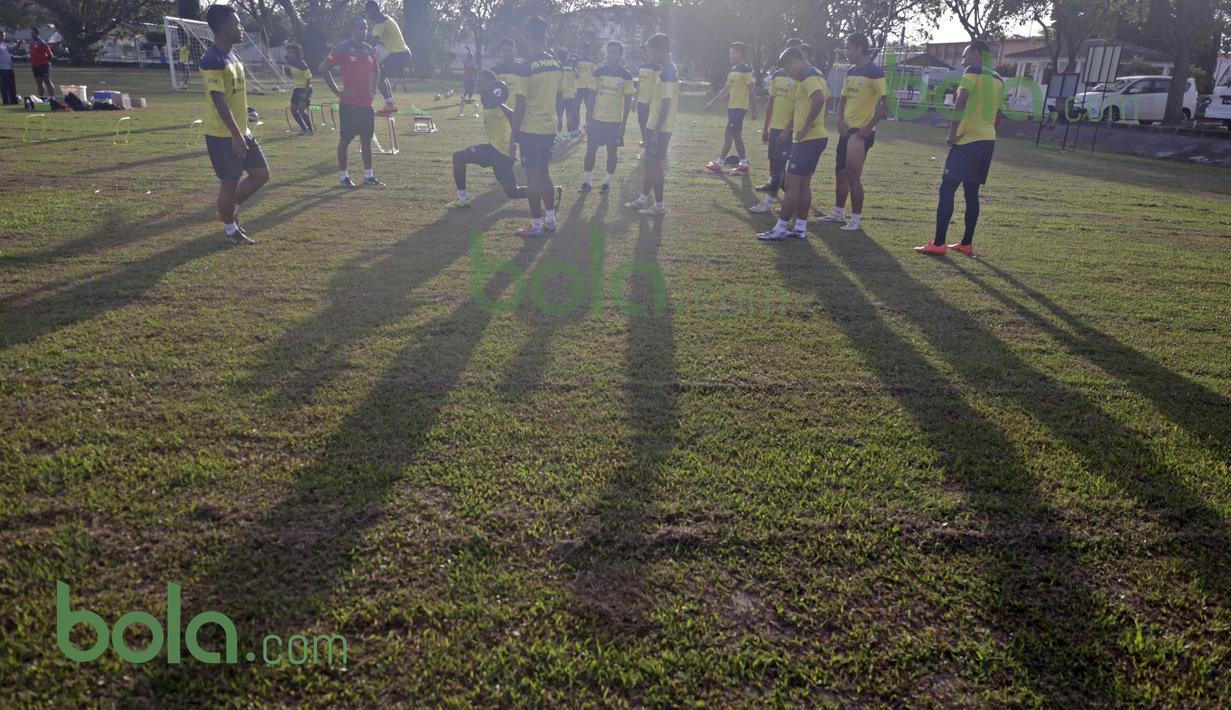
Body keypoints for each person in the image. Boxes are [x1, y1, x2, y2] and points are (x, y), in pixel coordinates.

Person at [916, 41, 1003, 256]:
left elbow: (961, 100)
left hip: (967, 141)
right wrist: (988, 133)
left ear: (976, 53)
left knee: (947, 189)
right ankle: (966, 243)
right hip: (987, 141)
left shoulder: (973, 71)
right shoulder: (998, 79)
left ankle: (938, 243)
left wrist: (952, 132)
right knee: (971, 193)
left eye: (965, 56)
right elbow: (999, 114)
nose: (963, 62)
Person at [200, 5, 268, 245]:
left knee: (261, 174)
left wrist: (246, 114)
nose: (241, 29)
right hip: (223, 134)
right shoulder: (212, 59)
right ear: (223, 27)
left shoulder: (233, 55)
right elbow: (219, 100)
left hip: (242, 131)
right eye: (237, 24)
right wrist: (235, 135)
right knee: (229, 183)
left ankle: (228, 209)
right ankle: (231, 231)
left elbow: (234, 94)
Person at [756, 47, 830, 241]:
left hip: (808, 139)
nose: (789, 74)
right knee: (803, 186)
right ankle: (800, 228)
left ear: (795, 61)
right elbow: (824, 100)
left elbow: (819, 99)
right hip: (815, 137)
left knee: (791, 185)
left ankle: (780, 228)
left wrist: (806, 126)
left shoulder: (807, 74)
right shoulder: (818, 75)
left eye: (788, 69)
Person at [818, 33, 887, 231]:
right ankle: (838, 213)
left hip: (860, 132)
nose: (846, 52)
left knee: (853, 174)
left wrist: (868, 127)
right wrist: (839, 120)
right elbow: (843, 99)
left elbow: (884, 104)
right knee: (840, 172)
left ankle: (856, 220)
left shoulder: (875, 72)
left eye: (848, 48)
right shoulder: (850, 72)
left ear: (859, 48)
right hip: (846, 130)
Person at [510, 16, 563, 237]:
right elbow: (560, 98)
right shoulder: (556, 64)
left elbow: (520, 105)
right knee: (544, 174)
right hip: (549, 128)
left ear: (527, 37)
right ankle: (550, 220)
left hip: (531, 130)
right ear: (544, 35)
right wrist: (558, 121)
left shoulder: (525, 67)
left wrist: (513, 138)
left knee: (531, 177)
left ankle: (536, 225)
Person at [320, 16, 384, 188]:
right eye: (360, 28)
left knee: (366, 140)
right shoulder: (342, 48)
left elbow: (376, 70)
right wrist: (338, 92)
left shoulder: (369, 49)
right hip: (349, 105)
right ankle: (343, 177)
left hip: (367, 105)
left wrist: (373, 89)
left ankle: (369, 176)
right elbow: (323, 68)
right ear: (352, 29)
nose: (364, 31)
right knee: (345, 140)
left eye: (365, 28)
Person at [449, 70, 527, 208]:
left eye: (481, 81)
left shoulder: (498, 102)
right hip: (498, 151)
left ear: (491, 83)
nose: (477, 83)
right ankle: (549, 191)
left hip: (499, 151)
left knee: (459, 157)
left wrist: (514, 141)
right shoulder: (488, 99)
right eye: (477, 80)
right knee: (513, 192)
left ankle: (462, 198)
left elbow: (515, 117)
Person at [624, 33, 676, 217]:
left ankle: (659, 206)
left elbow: (667, 104)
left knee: (655, 166)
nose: (651, 54)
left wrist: (655, 132)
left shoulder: (669, 72)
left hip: (660, 128)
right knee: (649, 162)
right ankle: (643, 198)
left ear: (662, 49)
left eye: (653, 50)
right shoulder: (664, 69)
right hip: (652, 124)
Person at [751, 38, 805, 213]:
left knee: (781, 167)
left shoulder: (803, 77)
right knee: (775, 165)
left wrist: (788, 129)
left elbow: (800, 107)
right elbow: (771, 103)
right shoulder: (777, 75)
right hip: (775, 128)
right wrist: (766, 127)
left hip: (789, 130)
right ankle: (790, 199)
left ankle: (768, 202)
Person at [580, 40, 635, 194]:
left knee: (612, 153)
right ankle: (587, 182)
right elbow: (591, 97)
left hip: (614, 122)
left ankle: (606, 183)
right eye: (609, 52)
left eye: (615, 53)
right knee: (590, 151)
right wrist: (588, 120)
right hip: (596, 121)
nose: (611, 55)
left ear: (620, 55)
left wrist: (623, 124)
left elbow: (628, 102)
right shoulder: (598, 72)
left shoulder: (626, 76)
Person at [705, 42, 757, 174]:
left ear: (740, 54)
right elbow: (726, 90)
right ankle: (744, 163)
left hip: (740, 108)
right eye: (730, 53)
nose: (730, 55)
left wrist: (754, 109)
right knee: (736, 136)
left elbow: (752, 90)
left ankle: (719, 163)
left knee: (728, 133)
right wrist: (712, 103)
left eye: (732, 53)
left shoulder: (746, 70)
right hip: (732, 108)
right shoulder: (733, 70)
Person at [364, 0, 408, 116]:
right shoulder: (386, 18)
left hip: (399, 54)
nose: (368, 16)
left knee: (377, 75)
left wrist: (361, 51)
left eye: (368, 12)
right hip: (401, 54)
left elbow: (373, 42)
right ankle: (391, 104)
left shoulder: (380, 20)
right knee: (381, 75)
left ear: (373, 10)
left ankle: (389, 104)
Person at [284, 43, 314, 135]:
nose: (289, 54)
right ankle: (304, 129)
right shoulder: (291, 63)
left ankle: (310, 130)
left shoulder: (302, 64)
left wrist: (305, 93)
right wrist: (287, 73)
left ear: (297, 53)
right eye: (288, 52)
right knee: (293, 109)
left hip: (305, 89)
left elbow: (308, 80)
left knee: (301, 109)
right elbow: (293, 76)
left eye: (291, 52)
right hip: (297, 89)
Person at [634, 47, 659, 151]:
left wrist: (651, 100)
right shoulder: (641, 67)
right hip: (641, 101)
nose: (641, 55)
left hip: (651, 102)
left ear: (649, 52)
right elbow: (639, 84)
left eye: (642, 53)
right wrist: (635, 99)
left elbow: (657, 86)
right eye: (640, 53)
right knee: (642, 123)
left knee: (650, 124)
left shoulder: (656, 67)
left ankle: (652, 144)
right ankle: (645, 142)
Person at [556, 49, 580, 138]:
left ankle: (558, 133)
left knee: (559, 115)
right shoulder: (571, 67)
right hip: (570, 94)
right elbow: (578, 76)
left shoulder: (557, 66)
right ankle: (570, 131)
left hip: (560, 94)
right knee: (569, 114)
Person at [574, 44, 597, 127]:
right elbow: (574, 72)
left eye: (587, 49)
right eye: (584, 49)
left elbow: (595, 74)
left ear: (589, 51)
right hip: (578, 87)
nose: (585, 51)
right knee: (576, 107)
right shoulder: (577, 61)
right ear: (581, 50)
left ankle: (587, 123)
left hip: (588, 87)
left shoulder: (592, 62)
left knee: (589, 106)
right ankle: (577, 125)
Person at [28, 28, 53, 98]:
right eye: (31, 33)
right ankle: (41, 98)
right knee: (39, 82)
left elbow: (50, 54)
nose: (32, 34)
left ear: (37, 34)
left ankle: (52, 98)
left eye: (33, 33)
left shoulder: (42, 43)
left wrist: (46, 63)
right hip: (35, 65)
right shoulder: (31, 42)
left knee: (47, 81)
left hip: (43, 65)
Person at [0, 31, 17, 105]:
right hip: (2, 68)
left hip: (9, 68)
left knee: (12, 85)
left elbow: (12, 49)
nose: (2, 37)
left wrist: (18, 44)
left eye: (3, 36)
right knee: (4, 86)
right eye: (1, 36)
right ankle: (6, 101)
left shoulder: (4, 45)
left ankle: (13, 100)